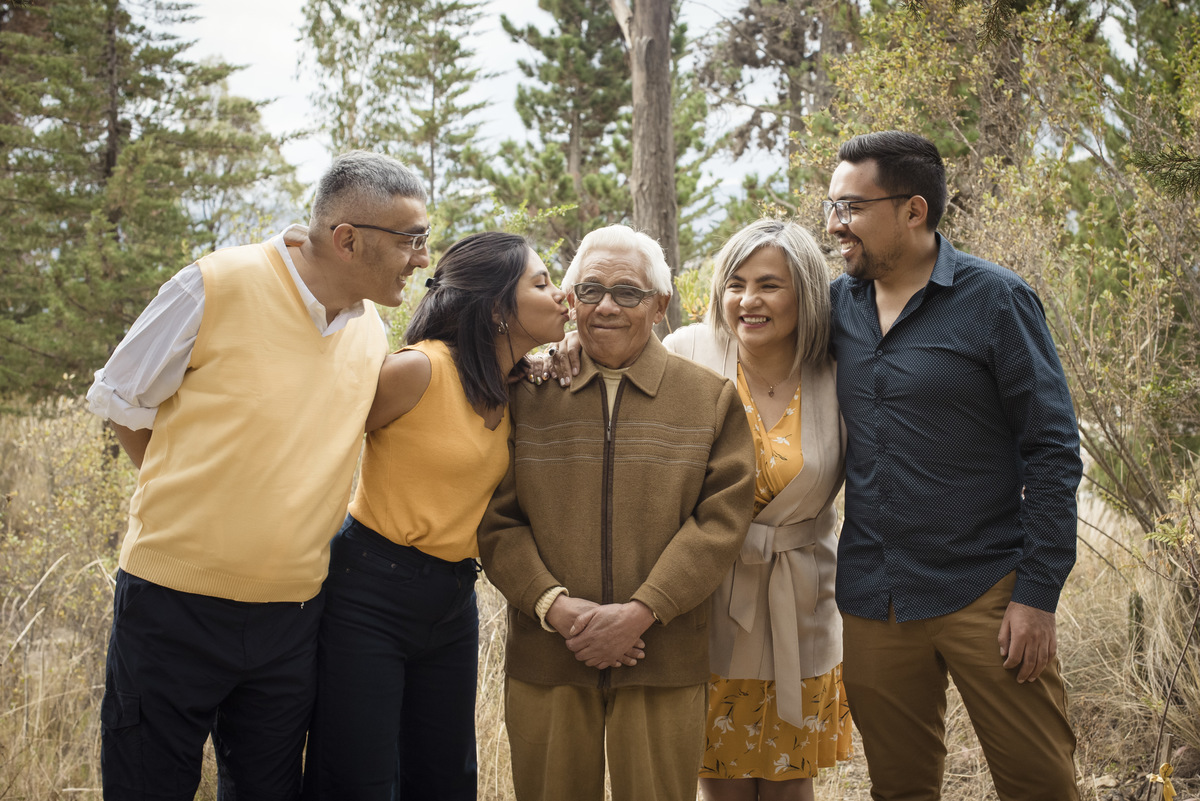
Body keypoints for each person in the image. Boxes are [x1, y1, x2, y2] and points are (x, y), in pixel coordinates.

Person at [86, 151, 429, 799]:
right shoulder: (216, 283)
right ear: (347, 239)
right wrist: (195, 506)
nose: (420, 257)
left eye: (424, 240)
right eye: (410, 239)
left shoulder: (372, 333)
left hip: (290, 621)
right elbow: (120, 403)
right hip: (172, 607)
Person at [824, 130, 1082, 801]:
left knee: (1042, 784)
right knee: (899, 791)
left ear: (913, 210)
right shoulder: (834, 306)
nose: (834, 224)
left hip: (988, 590)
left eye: (851, 207)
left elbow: (1053, 448)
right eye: (830, 206)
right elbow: (738, 337)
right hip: (874, 596)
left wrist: (1037, 592)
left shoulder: (996, 300)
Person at [477, 224, 756, 801]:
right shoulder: (524, 395)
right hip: (549, 653)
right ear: (570, 297)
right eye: (590, 289)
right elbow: (495, 519)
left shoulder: (709, 399)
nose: (606, 306)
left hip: (662, 655)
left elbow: (720, 524)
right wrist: (555, 608)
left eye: (627, 293)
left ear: (660, 305)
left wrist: (641, 612)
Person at [300, 231, 569, 801]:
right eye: (542, 283)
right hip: (367, 591)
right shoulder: (419, 370)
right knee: (359, 779)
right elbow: (315, 444)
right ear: (498, 308)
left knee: (447, 779)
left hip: (451, 600)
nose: (562, 294)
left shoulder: (515, 387)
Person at [662, 219, 851, 801]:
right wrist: (556, 353)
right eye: (736, 283)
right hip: (707, 597)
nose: (748, 301)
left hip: (802, 600)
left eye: (769, 285)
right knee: (720, 781)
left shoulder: (840, 371)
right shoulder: (685, 352)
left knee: (790, 783)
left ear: (807, 293)